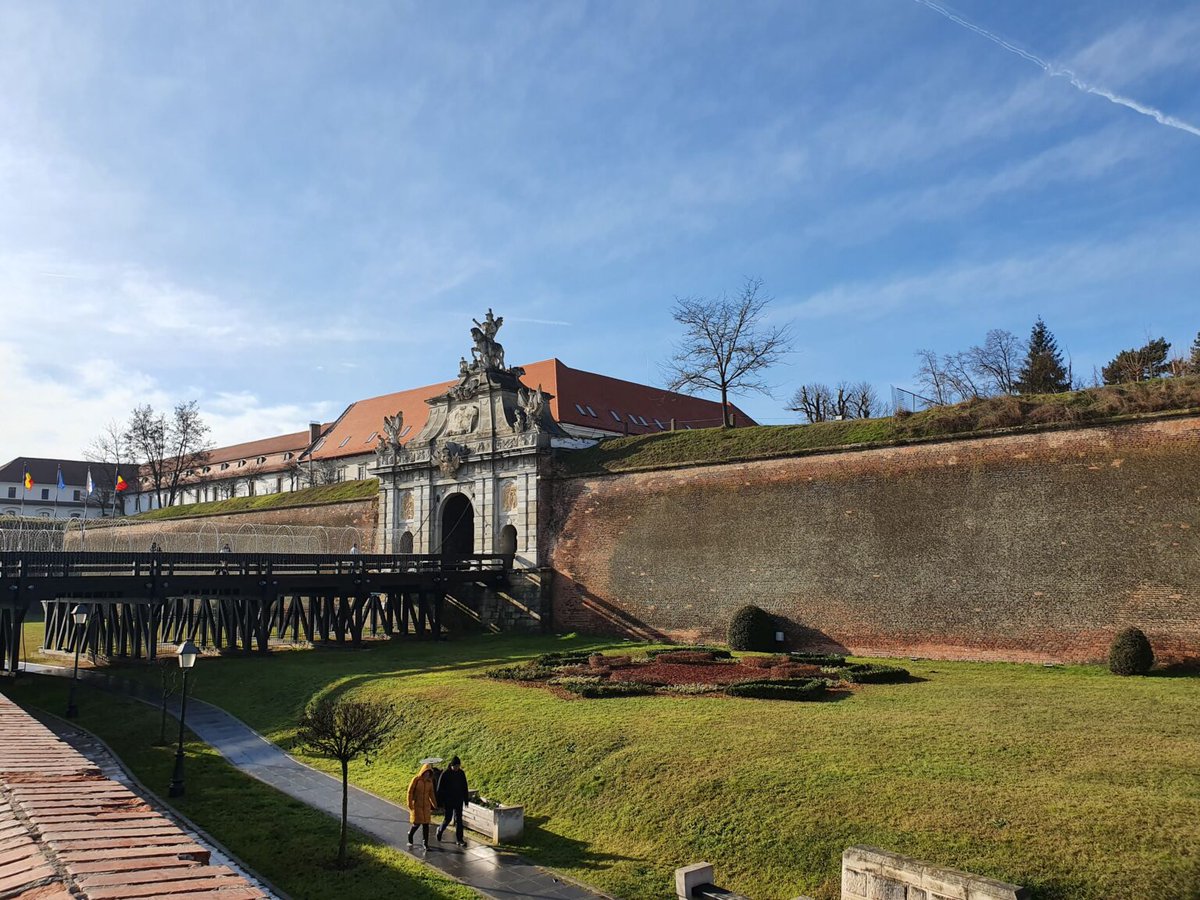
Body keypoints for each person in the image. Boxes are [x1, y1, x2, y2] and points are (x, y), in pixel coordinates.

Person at [436, 756, 470, 847]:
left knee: (459, 820)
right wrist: (440, 802)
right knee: (448, 818)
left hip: (458, 800)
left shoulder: (461, 773)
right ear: (451, 765)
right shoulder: (445, 774)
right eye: (455, 766)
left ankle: (459, 839)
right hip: (449, 801)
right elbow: (439, 789)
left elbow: (464, 787)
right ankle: (440, 830)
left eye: (458, 766)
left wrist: (466, 800)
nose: (457, 768)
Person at [406, 764, 438, 849]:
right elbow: (410, 792)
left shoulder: (430, 782)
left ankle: (425, 843)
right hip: (417, 805)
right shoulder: (416, 780)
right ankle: (410, 834)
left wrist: (434, 804)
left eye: (428, 773)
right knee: (416, 823)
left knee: (426, 825)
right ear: (422, 772)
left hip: (426, 806)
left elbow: (431, 794)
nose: (427, 775)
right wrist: (409, 803)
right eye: (426, 773)